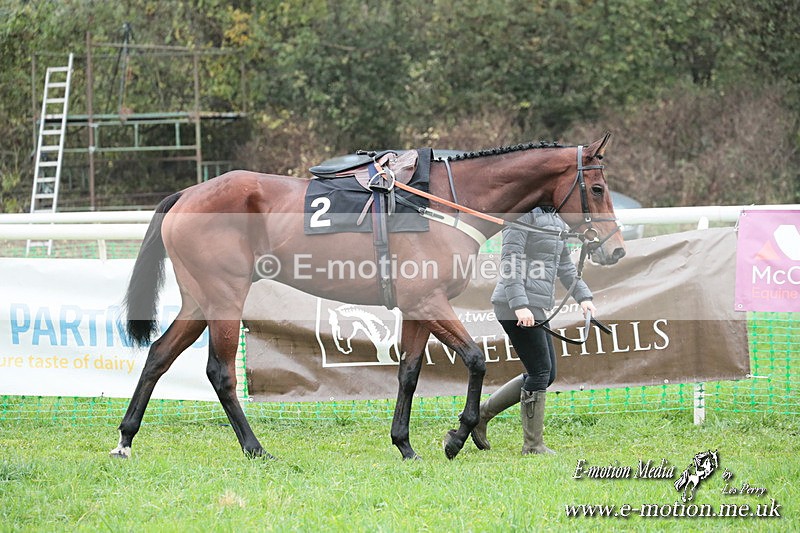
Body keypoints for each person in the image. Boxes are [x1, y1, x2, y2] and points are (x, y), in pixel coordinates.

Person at [472, 206, 596, 455]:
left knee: (545, 374)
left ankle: (481, 415)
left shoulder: (555, 218)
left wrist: (583, 297)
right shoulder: (522, 213)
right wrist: (520, 305)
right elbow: (510, 261)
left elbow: (564, 266)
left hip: (535, 304)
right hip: (513, 305)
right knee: (540, 373)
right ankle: (532, 446)